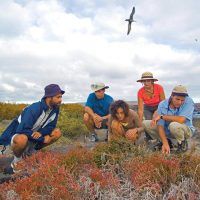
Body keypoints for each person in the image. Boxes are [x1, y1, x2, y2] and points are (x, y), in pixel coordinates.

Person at [0, 84, 64, 173]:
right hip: (18, 136)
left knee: (57, 132)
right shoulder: (35, 108)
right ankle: (17, 161)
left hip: (33, 136)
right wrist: (42, 139)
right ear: (49, 97)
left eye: (61, 97)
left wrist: (41, 133)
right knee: (22, 138)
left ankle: (30, 153)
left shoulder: (55, 109)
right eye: (58, 97)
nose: (61, 100)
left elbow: (51, 126)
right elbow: (22, 130)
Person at [143, 85, 195, 154]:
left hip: (185, 129)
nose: (180, 102)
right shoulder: (162, 104)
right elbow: (160, 126)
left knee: (173, 125)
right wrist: (165, 143)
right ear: (172, 96)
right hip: (168, 130)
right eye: (177, 99)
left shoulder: (189, 101)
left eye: (182, 100)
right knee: (146, 123)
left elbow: (181, 120)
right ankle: (166, 141)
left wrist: (162, 116)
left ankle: (182, 143)